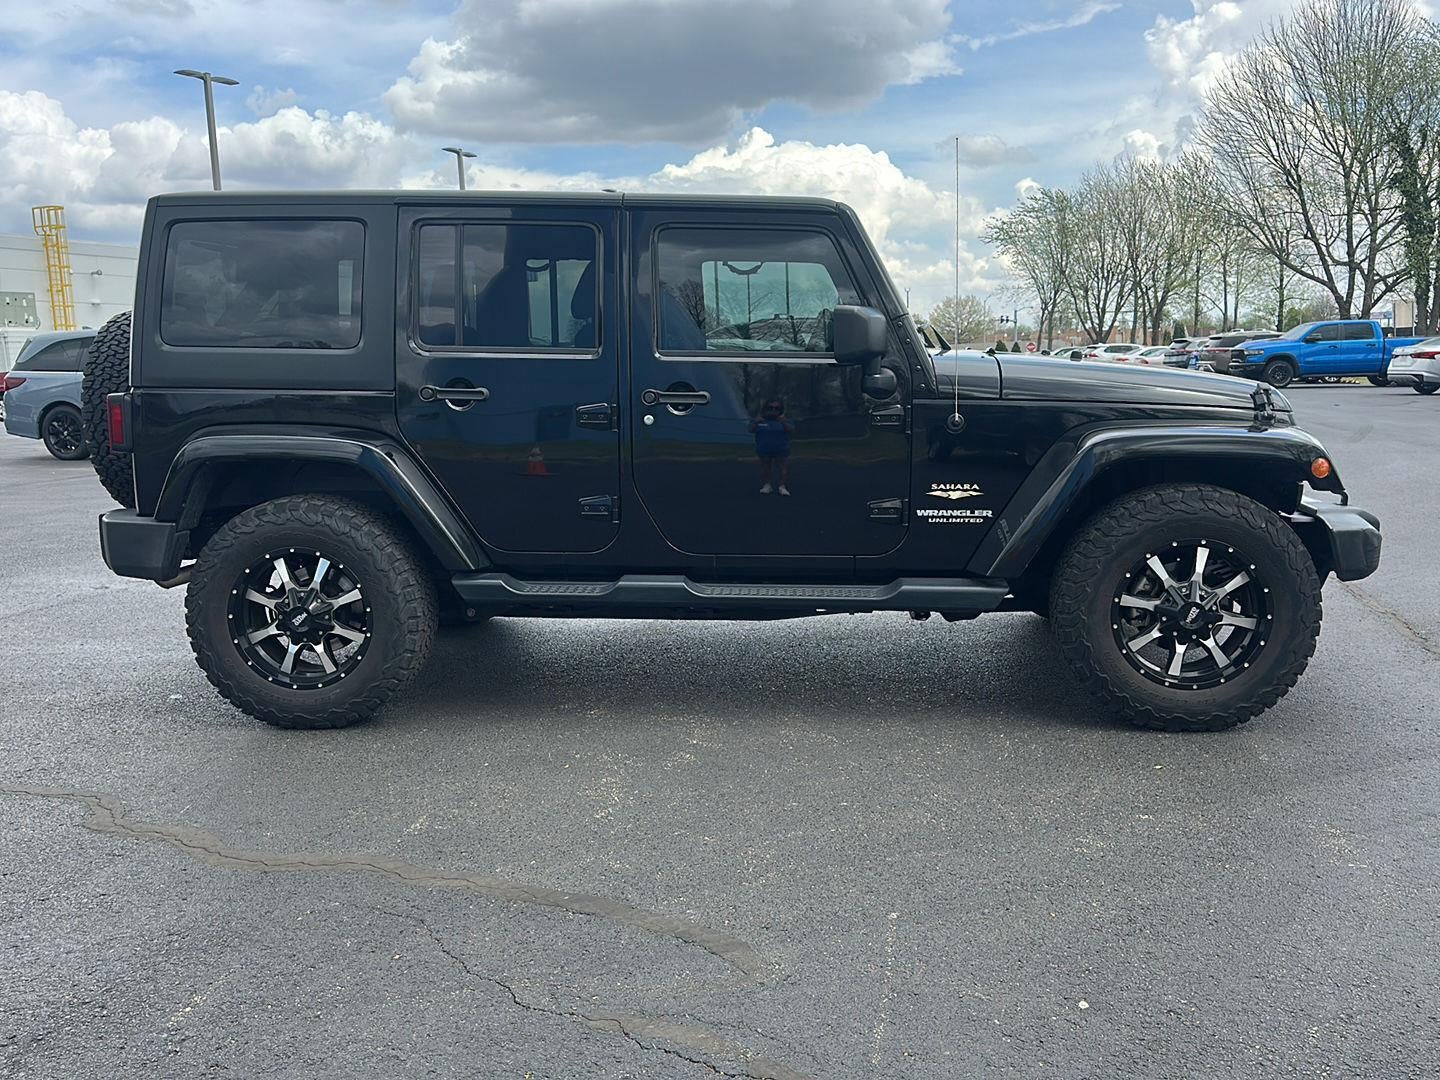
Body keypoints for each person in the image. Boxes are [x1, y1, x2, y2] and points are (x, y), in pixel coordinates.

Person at [748, 398, 794, 496]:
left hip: (781, 449)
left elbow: (791, 430)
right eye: (770, 408)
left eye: (777, 408)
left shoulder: (785, 420)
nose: (773, 410)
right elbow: (750, 429)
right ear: (765, 408)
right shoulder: (760, 420)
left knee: (783, 469)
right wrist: (756, 421)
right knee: (766, 468)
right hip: (764, 448)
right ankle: (767, 485)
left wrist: (783, 422)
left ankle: (782, 487)